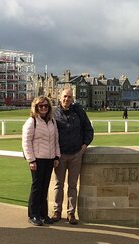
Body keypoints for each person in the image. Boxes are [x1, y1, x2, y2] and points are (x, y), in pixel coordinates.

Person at [51, 87, 94, 225]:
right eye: (64, 96)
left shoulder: (79, 111)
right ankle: (57, 211)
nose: (66, 99)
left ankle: (71, 213)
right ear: (60, 97)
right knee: (58, 184)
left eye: (69, 97)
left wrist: (85, 145)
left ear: (72, 99)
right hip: (60, 155)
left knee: (73, 185)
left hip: (76, 154)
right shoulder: (54, 113)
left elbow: (88, 129)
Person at [22, 96, 60, 226]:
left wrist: (56, 156)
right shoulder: (32, 121)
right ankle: (33, 215)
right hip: (37, 159)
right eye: (40, 106)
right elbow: (26, 142)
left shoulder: (52, 121)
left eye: (46, 106)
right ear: (36, 107)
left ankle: (43, 214)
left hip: (49, 159)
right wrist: (31, 160)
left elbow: (55, 141)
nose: (43, 108)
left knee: (45, 188)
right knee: (37, 188)